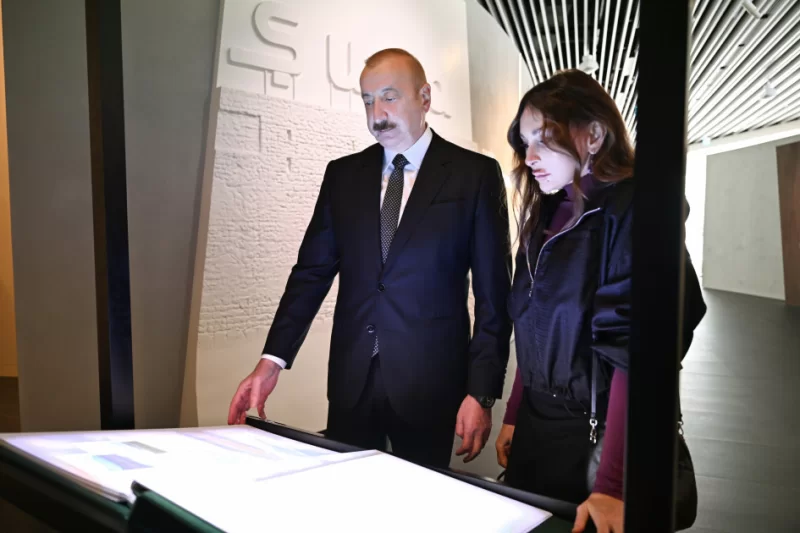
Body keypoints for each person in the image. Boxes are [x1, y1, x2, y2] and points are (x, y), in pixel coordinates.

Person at [227, 48, 513, 469]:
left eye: (389, 97)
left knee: (423, 500)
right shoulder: (343, 175)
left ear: (425, 98)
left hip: (431, 386)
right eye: (367, 101)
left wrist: (481, 392)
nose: (377, 114)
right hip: (352, 382)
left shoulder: (474, 175)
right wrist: (271, 362)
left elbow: (494, 296)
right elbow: (310, 275)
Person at [497, 69, 706, 532]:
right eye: (525, 142)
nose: (529, 157)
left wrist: (613, 481)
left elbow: (638, 352)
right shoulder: (548, 211)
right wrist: (514, 413)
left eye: (543, 139)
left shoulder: (634, 210)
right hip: (537, 428)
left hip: (597, 438)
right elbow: (534, 323)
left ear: (593, 135)